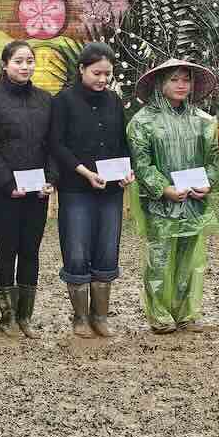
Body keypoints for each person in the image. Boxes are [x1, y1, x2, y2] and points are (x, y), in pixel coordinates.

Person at [127, 59, 219, 334]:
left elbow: (214, 160)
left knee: (188, 261)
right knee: (159, 258)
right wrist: (164, 188)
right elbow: (141, 163)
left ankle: (185, 313)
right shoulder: (143, 121)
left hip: (194, 201)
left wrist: (209, 184)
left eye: (186, 80)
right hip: (160, 203)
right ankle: (159, 313)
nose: (181, 85)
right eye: (174, 80)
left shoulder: (203, 121)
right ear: (160, 83)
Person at [49, 42, 134, 338]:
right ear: (81, 69)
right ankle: (80, 317)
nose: (102, 79)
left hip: (110, 190)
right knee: (76, 248)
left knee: (108, 247)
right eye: (96, 73)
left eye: (107, 74)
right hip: (76, 188)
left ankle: (101, 316)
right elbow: (57, 144)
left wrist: (128, 171)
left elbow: (123, 142)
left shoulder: (113, 100)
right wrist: (84, 172)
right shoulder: (63, 101)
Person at [0, 40, 56, 338]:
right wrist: (7, 183)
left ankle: (26, 316)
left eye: (30, 61)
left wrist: (51, 178)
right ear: (5, 65)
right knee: (7, 250)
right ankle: (7, 316)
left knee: (31, 251)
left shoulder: (46, 100)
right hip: (5, 192)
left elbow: (53, 144)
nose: (25, 66)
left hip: (38, 191)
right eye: (19, 61)